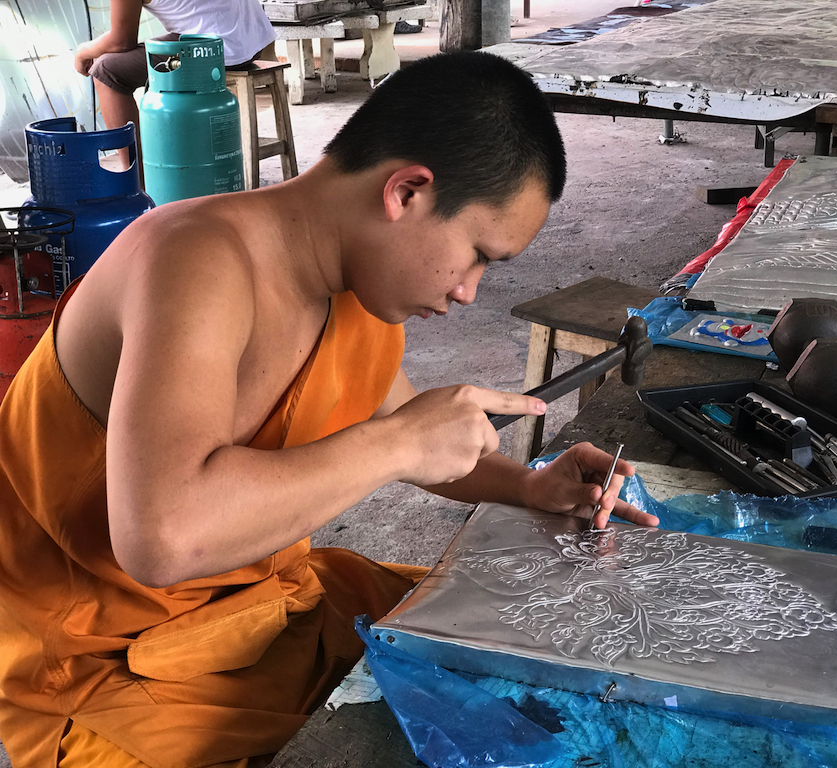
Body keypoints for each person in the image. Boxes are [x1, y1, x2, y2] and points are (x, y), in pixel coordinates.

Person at [0, 51, 658, 767]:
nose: (470, 290)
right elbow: (161, 538)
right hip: (106, 665)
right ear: (406, 190)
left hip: (263, 614)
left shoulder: (357, 287)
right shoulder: (195, 260)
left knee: (528, 653)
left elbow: (416, 433)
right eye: (477, 254)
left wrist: (530, 484)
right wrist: (396, 445)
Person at [73, 0, 275, 173]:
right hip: (253, 40)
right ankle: (168, 154)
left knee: (106, 70)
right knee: (148, 55)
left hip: (215, 50)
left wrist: (82, 51)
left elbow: (121, 41)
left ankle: (137, 182)